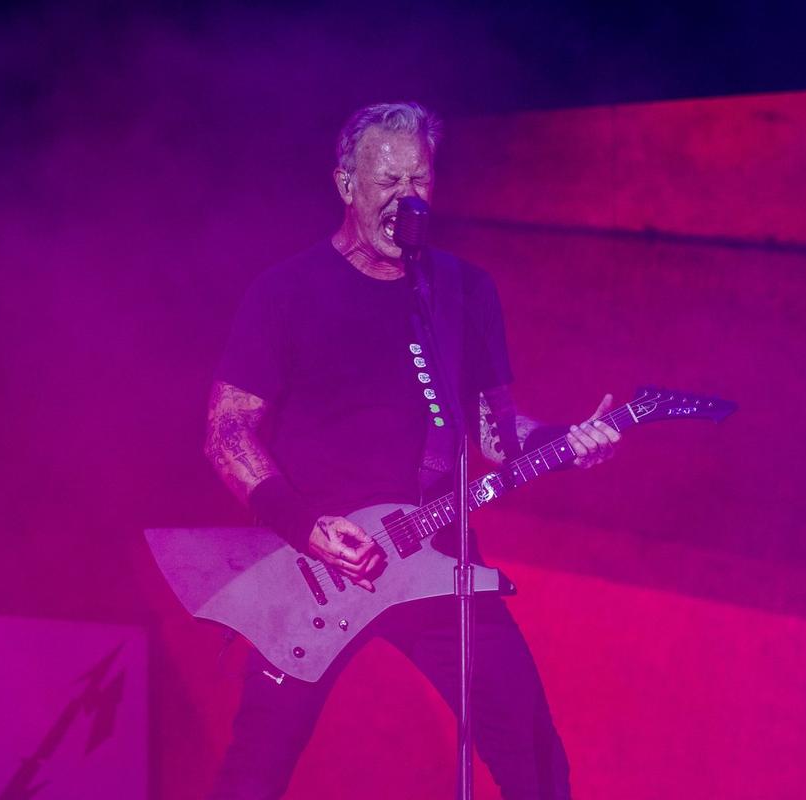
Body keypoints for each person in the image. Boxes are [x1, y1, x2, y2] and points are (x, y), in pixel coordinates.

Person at [203, 101, 620, 799]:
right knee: (254, 775)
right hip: (316, 567)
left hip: (438, 560)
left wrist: (565, 442)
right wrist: (304, 527)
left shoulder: (463, 291)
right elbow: (226, 431)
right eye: (388, 181)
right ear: (346, 184)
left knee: (537, 763)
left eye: (419, 180)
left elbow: (494, 433)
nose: (407, 199)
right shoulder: (286, 292)